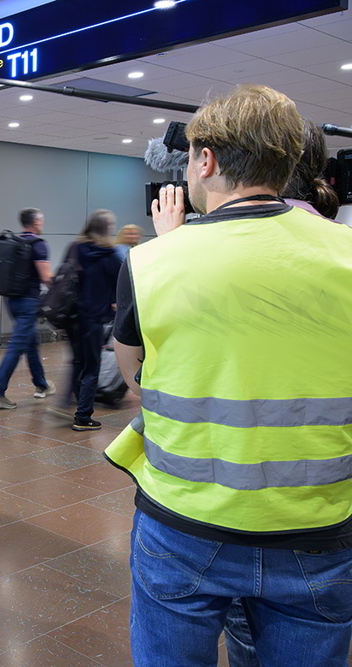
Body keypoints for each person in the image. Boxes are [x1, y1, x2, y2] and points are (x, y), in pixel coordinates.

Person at [106, 84, 352, 667]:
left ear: (206, 161)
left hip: (186, 524)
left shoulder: (153, 261)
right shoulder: (344, 254)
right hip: (318, 527)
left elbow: (135, 374)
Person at [222, 117, 342, 667]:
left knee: (247, 636)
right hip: (325, 508)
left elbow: (149, 373)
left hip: (225, 505)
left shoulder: (205, 252)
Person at [49, 210, 122, 431]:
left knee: (78, 362)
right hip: (93, 320)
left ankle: (71, 402)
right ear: (107, 229)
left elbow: (62, 276)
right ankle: (83, 416)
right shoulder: (111, 255)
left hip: (72, 317)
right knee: (91, 367)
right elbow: (117, 292)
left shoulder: (75, 247)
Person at [0, 207, 55, 409]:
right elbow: (47, 277)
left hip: (11, 302)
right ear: (36, 223)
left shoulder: (12, 244)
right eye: (41, 221)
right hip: (29, 302)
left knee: (31, 343)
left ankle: (42, 386)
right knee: (16, 346)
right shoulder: (38, 245)